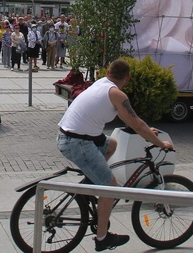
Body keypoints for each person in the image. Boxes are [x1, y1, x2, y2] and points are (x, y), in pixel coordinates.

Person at [57, 59, 174, 251]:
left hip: (72, 136)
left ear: (109, 71)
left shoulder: (101, 84)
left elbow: (130, 119)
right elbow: (135, 122)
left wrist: (145, 129)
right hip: (77, 143)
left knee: (111, 144)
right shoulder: (116, 94)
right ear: (127, 78)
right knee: (110, 187)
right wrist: (160, 143)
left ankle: (91, 186)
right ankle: (102, 238)